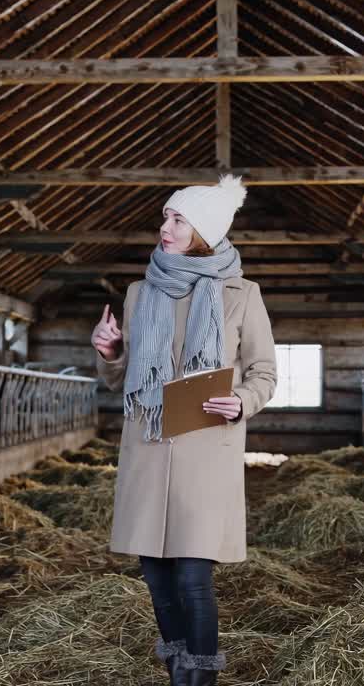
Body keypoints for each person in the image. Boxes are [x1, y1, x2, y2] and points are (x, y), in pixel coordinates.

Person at [92, 174, 277, 686]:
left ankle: (198, 677)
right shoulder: (138, 293)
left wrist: (240, 400)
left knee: (194, 577)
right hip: (148, 448)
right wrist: (110, 353)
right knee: (155, 574)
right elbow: (120, 380)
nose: (164, 227)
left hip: (205, 451)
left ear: (204, 230)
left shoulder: (241, 295)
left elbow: (264, 373)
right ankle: (177, 664)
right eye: (166, 217)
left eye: (176, 219)